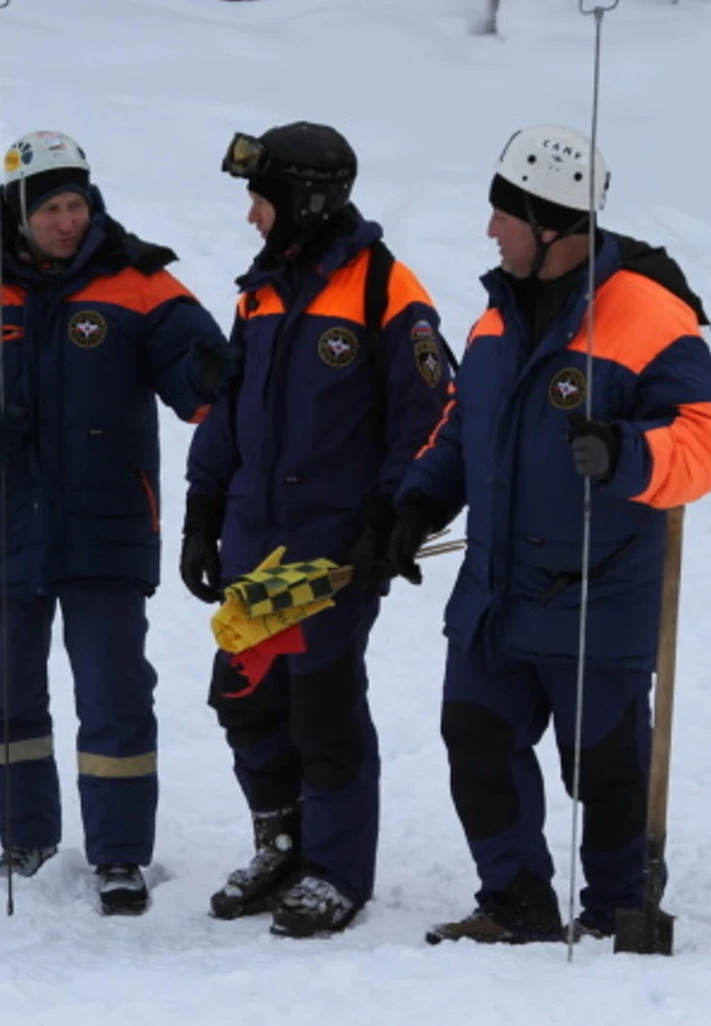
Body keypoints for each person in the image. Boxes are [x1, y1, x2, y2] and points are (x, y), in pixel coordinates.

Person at [391, 124, 711, 945]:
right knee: (477, 743)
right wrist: (412, 507)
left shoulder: (651, 315)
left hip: (599, 593)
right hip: (494, 595)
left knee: (607, 768)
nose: (490, 231)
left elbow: (708, 439)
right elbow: (463, 428)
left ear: (553, 225)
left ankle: (620, 903)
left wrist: (628, 453)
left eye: (504, 215)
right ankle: (514, 901)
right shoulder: (496, 317)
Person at [0, 130, 230, 917]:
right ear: (18, 213)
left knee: (114, 692)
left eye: (77, 204)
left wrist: (207, 371)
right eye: (51, 209)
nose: (68, 221)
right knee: (7, 693)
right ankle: (25, 837)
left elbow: (198, 379)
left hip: (109, 521)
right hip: (6, 522)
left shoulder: (141, 282)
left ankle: (118, 856)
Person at [182, 122, 452, 938]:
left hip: (332, 552)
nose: (252, 217)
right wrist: (201, 509)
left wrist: (392, 514)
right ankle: (285, 844)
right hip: (255, 544)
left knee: (323, 708)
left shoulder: (384, 290)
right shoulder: (261, 290)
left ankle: (336, 870)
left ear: (308, 199)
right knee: (244, 694)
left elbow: (433, 415)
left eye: (262, 199)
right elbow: (228, 409)